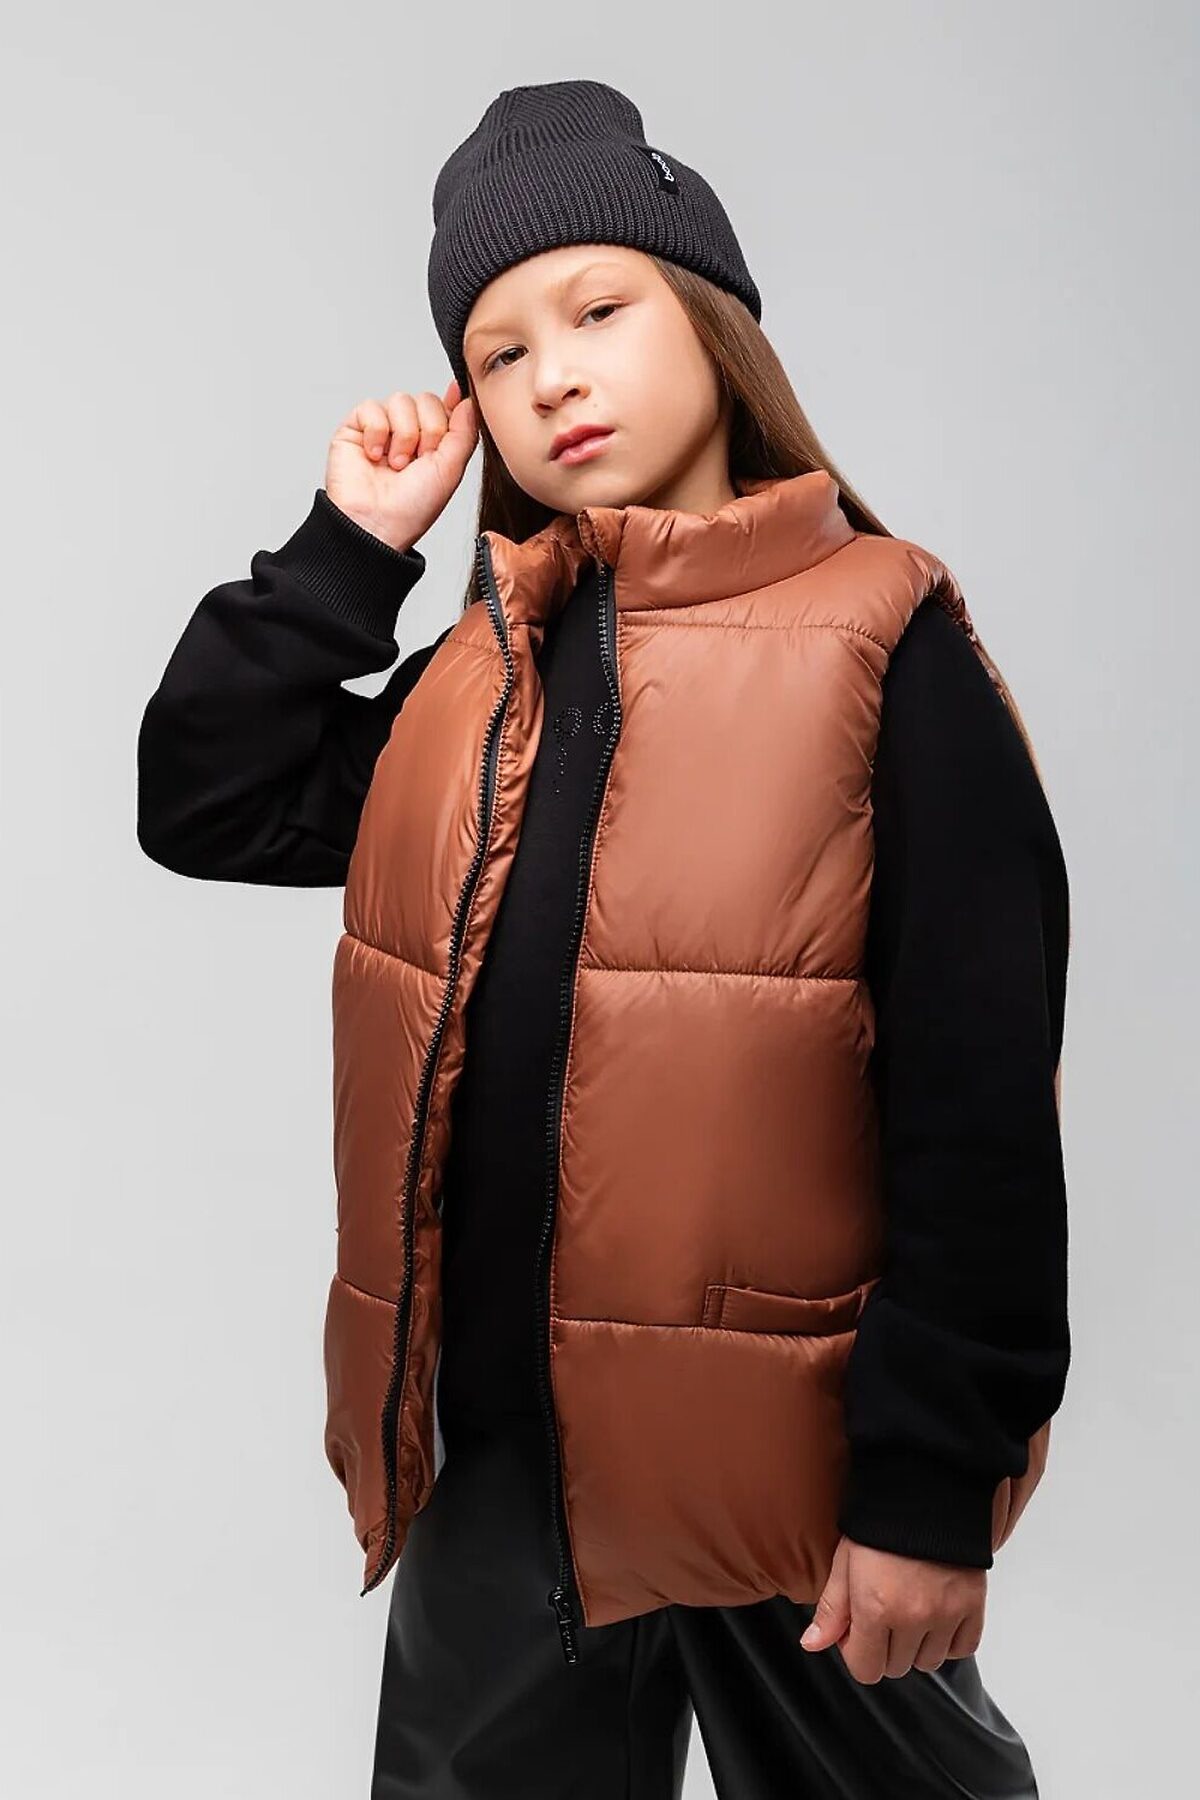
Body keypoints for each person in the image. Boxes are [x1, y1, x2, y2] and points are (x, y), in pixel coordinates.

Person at [137, 78, 1070, 1800]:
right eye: (498, 352)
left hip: (785, 1475)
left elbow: (982, 1103)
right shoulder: (485, 677)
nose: (552, 375)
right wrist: (349, 552)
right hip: (499, 1465)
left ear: (711, 322)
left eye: (598, 311)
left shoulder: (884, 646)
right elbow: (211, 799)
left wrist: (931, 1488)